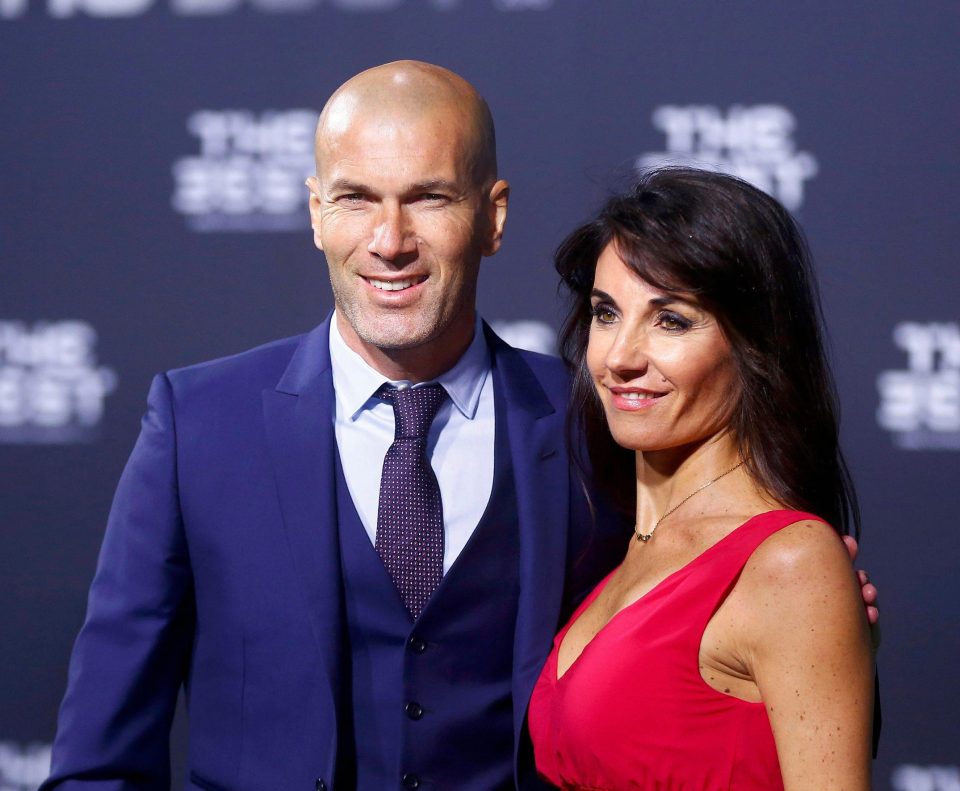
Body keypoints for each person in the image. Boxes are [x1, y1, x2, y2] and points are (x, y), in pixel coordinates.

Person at [42, 64, 875, 791]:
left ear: (493, 215)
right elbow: (102, 754)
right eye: (356, 198)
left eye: (429, 198)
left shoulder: (599, 424)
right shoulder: (199, 424)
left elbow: (724, 623)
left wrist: (820, 629)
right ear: (315, 213)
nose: (389, 241)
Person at [528, 168, 875, 790]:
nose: (619, 357)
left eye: (672, 321)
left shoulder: (789, 564)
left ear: (754, 344)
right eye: (607, 314)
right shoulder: (626, 547)